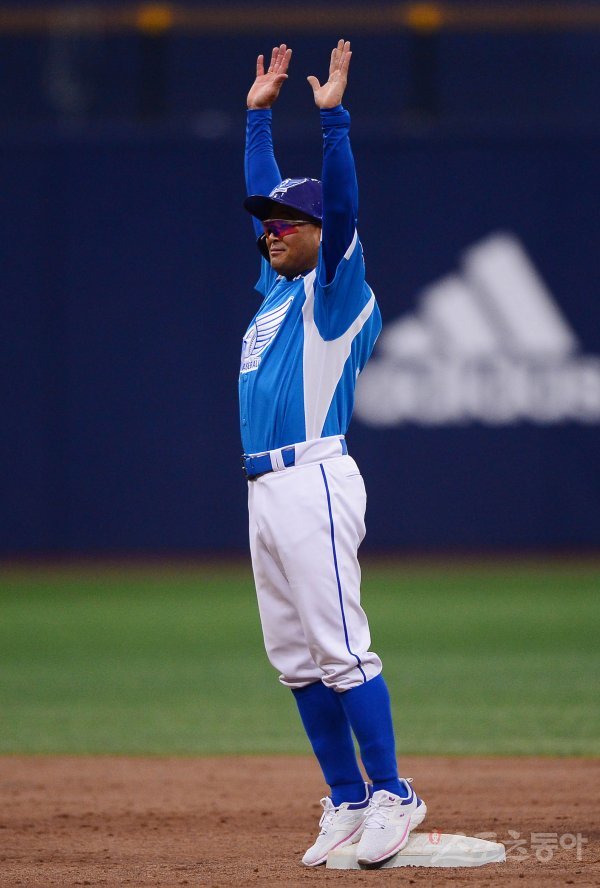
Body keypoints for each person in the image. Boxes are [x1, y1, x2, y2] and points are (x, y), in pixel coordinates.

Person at [240, 40, 426, 868]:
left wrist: (333, 121)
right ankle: (347, 800)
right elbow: (266, 202)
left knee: (342, 648)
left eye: (288, 224)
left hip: (314, 475)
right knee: (295, 660)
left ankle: (394, 793)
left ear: (323, 236)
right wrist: (256, 120)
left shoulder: (335, 292)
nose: (272, 233)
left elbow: (341, 208)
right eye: (267, 225)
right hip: (265, 490)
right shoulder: (277, 292)